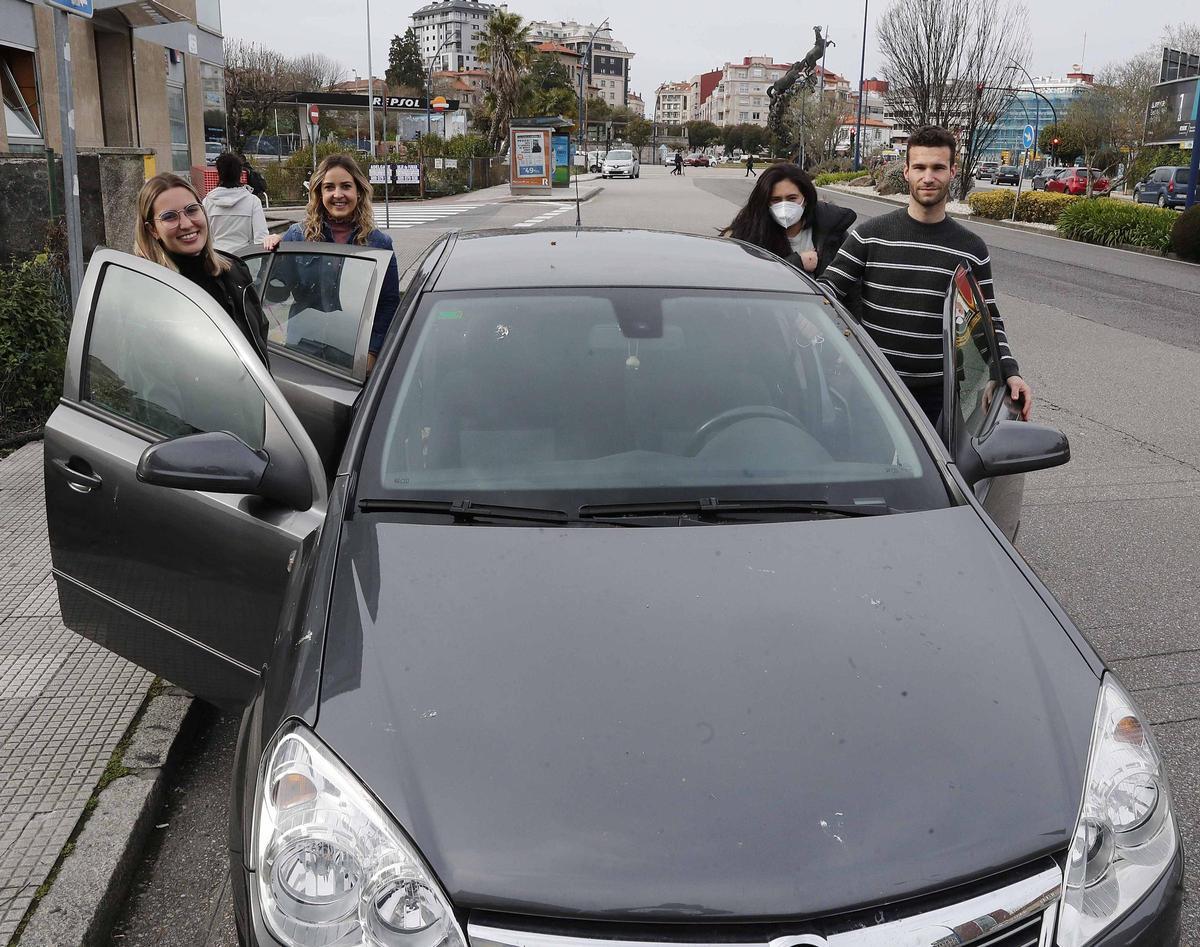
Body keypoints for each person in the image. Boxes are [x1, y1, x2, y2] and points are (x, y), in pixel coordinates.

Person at [819, 125, 1032, 426]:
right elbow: (826, 292)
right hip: (872, 386)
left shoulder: (971, 249)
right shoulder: (870, 236)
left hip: (937, 396)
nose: (928, 177)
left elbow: (989, 320)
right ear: (906, 171)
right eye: (919, 167)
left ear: (953, 172)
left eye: (938, 168)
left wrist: (1010, 372)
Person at [263, 153, 401, 371]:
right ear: (319, 193)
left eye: (346, 186)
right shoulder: (297, 236)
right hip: (302, 348)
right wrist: (272, 254)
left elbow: (388, 303)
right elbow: (274, 294)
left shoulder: (379, 243)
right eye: (329, 187)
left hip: (354, 352)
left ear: (358, 191)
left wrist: (373, 352)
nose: (338, 194)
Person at [134, 172, 269, 365]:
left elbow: (259, 338)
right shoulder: (149, 293)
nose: (187, 224)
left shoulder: (235, 271)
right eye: (169, 217)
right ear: (152, 230)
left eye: (192, 210)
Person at [721, 162, 856, 278]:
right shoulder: (747, 234)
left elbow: (851, 285)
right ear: (765, 202)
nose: (784, 206)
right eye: (776, 200)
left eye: (792, 198)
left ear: (806, 198)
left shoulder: (832, 230)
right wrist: (796, 263)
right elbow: (742, 278)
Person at [203, 152, 268, 252]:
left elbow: (204, 237)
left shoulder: (207, 202)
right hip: (246, 260)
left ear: (219, 173)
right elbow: (261, 238)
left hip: (216, 260)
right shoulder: (253, 202)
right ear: (240, 173)